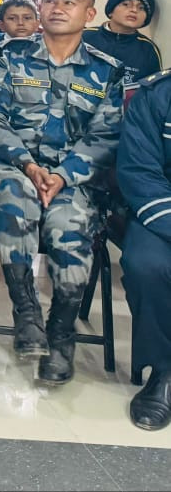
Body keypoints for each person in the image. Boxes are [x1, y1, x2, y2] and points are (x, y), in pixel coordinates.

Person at [0, 0, 123, 386]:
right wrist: (26, 164)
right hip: (9, 167)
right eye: (51, 0)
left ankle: (60, 333)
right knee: (16, 195)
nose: (58, 8)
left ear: (90, 13)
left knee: (68, 224)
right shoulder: (8, 55)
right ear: (40, 7)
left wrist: (62, 175)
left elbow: (106, 137)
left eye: (70, 2)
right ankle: (26, 313)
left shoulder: (106, 71)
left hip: (73, 180)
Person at [116, 65, 171, 431]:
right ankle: (164, 371)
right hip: (162, 210)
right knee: (146, 265)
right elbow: (139, 170)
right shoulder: (156, 95)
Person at [83, 0, 160, 82]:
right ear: (111, 11)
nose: (134, 10)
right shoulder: (84, 36)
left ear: (145, 20)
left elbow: (154, 87)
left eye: (141, 8)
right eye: (126, 4)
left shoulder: (148, 49)